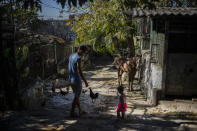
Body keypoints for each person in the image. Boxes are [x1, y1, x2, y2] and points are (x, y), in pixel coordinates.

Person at [69, 45, 89, 117]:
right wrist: (85, 81)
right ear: (81, 51)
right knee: (76, 96)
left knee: (76, 95)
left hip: (71, 78)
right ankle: (72, 112)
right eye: (84, 52)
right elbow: (80, 71)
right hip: (76, 79)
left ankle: (80, 110)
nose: (84, 54)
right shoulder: (78, 58)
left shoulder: (71, 56)